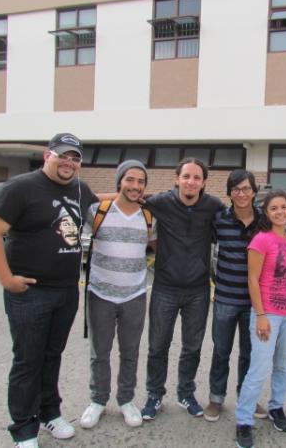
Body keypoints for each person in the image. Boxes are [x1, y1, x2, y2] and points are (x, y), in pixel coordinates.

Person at [0, 133, 98, 448]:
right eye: (63, 155)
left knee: (51, 356)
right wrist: (6, 280)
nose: (69, 162)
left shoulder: (79, 189)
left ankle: (50, 412)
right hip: (30, 293)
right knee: (27, 361)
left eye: (75, 158)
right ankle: (23, 429)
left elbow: (103, 205)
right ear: (48, 155)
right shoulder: (20, 188)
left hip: (66, 291)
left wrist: (134, 193)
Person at [140, 158, 224, 420]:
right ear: (176, 178)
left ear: (203, 182)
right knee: (158, 346)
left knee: (192, 347)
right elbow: (130, 195)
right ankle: (154, 394)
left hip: (198, 291)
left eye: (197, 177)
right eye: (186, 176)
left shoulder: (213, 206)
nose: (191, 182)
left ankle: (185, 393)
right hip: (165, 287)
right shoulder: (161, 202)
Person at [79, 160, 156, 430]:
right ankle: (98, 400)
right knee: (100, 352)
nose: (135, 186)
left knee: (130, 352)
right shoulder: (97, 212)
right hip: (100, 294)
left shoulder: (148, 217)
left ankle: (126, 400)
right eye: (130, 180)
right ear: (119, 181)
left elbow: (157, 246)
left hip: (135, 295)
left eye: (140, 181)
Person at [235, 190, 286, 448]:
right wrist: (261, 315)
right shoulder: (261, 240)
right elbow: (252, 279)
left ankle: (276, 407)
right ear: (267, 212)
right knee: (259, 369)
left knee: (283, 365)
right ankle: (243, 420)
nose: (280, 212)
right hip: (268, 314)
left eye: (284, 207)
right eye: (274, 208)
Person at [204, 170, 267, 422]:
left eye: (246, 189)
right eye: (236, 189)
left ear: (254, 191)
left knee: (248, 353)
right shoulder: (219, 220)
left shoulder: (265, 221)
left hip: (254, 302)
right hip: (225, 299)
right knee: (221, 351)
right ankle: (215, 398)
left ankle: (247, 398)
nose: (241, 194)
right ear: (229, 193)